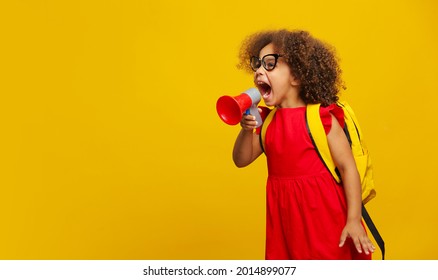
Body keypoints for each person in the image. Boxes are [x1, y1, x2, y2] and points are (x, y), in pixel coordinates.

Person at [232, 29, 375, 260]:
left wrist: (353, 220)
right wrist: (245, 130)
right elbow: (241, 160)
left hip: (326, 219)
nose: (259, 70)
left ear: (297, 76)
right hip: (286, 224)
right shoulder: (266, 122)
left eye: (269, 64)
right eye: (257, 64)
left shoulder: (321, 118)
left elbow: (349, 168)